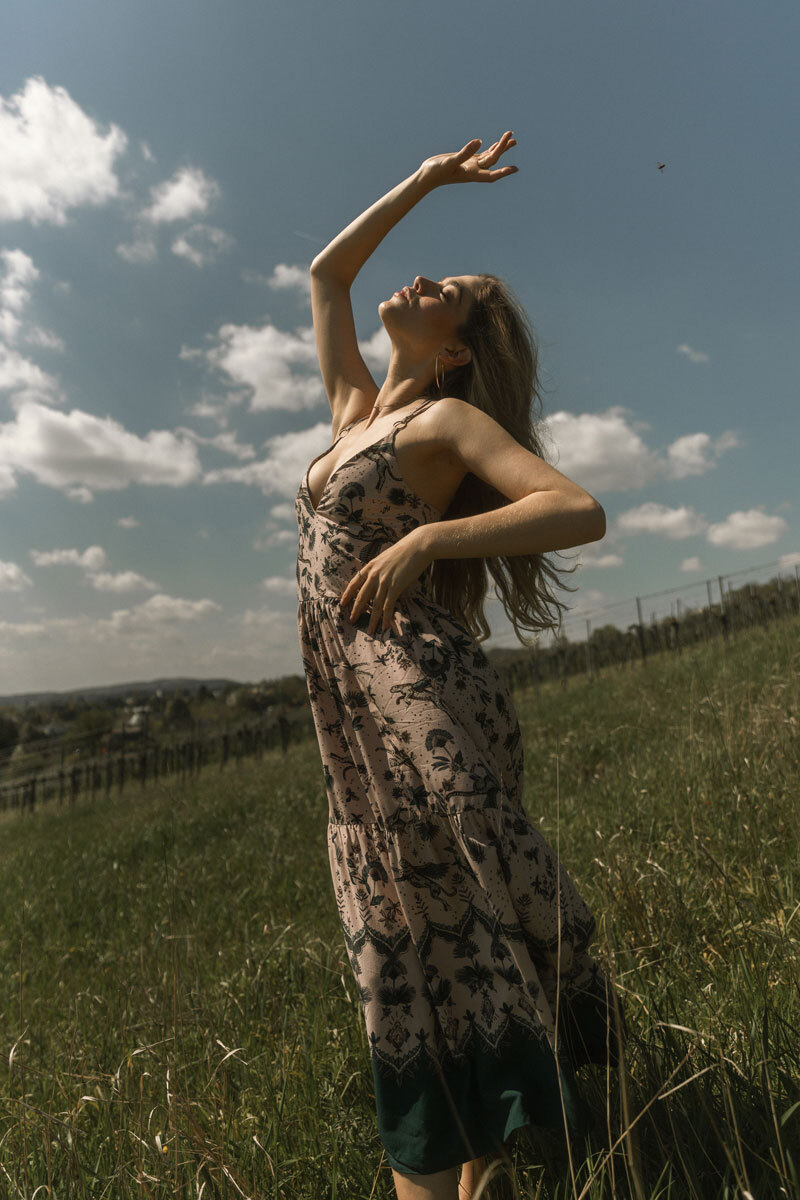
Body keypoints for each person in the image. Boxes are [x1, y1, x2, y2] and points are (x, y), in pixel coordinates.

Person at [295, 132, 622, 1200]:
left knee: (455, 904)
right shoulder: (353, 415)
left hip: (421, 693)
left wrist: (431, 541)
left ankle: (482, 1138)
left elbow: (574, 509)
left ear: (451, 351)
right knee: (400, 924)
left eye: (453, 293)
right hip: (350, 718)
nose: (427, 278)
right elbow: (326, 272)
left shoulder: (446, 418)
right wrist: (426, 180)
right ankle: (473, 1152)